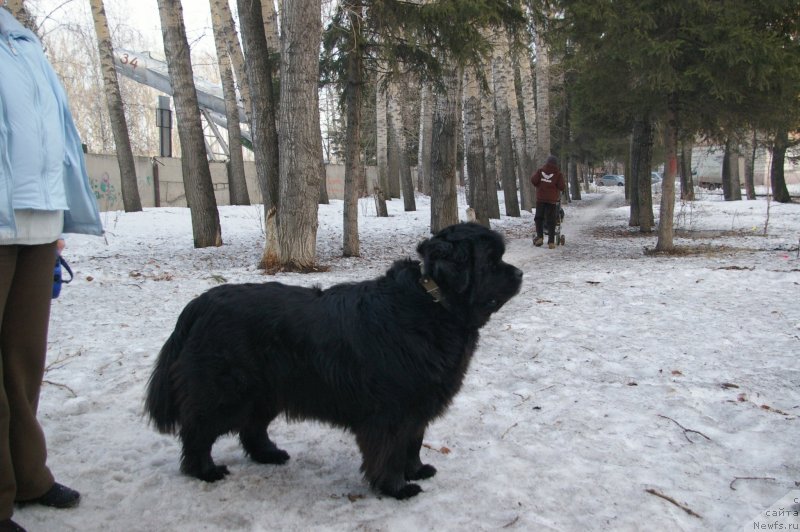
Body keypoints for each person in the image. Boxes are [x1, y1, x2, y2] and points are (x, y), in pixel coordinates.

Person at [1, 5, 103, 532]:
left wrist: (59, 212)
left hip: (36, 223)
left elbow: (56, 132)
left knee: (23, 364)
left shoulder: (24, 44)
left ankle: (28, 477)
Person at [530, 155, 566, 249]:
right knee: (551, 220)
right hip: (552, 200)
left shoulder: (540, 171)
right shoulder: (558, 174)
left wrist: (540, 184)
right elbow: (562, 186)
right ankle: (551, 242)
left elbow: (533, 180)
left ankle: (540, 238)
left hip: (541, 199)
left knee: (539, 218)